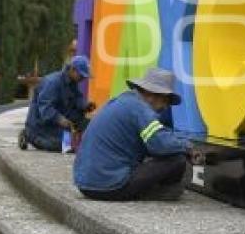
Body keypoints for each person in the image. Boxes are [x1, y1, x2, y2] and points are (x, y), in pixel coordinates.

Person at [73, 67, 198, 201]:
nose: (165, 107)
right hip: (109, 186)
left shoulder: (123, 102)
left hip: (86, 185)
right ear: (153, 95)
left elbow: (156, 137)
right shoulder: (140, 109)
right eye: (166, 101)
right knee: (176, 159)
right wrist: (187, 147)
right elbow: (160, 144)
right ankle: (161, 191)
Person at [19, 55, 93, 152]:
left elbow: (77, 98)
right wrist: (60, 119)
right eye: (82, 75)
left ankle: (67, 136)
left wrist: (85, 105)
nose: (83, 78)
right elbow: (45, 109)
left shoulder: (73, 83)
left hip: (57, 125)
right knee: (64, 146)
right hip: (41, 127)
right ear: (72, 70)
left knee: (91, 124)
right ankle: (28, 135)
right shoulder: (52, 83)